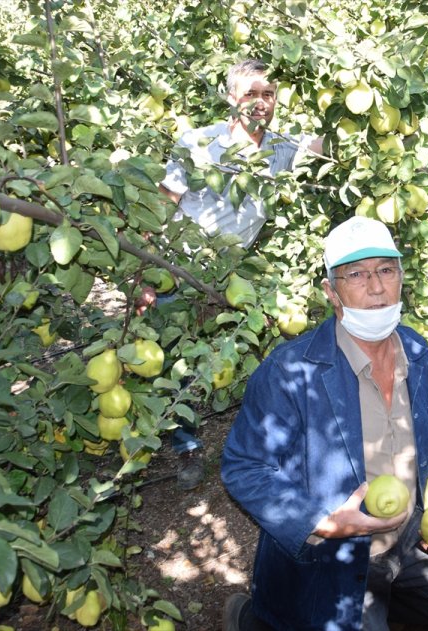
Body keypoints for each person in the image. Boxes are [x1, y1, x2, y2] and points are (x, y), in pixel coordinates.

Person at [220, 216, 428, 630]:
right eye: (356, 274)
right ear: (331, 290)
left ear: (400, 277)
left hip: (411, 529)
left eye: (385, 270)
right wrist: (322, 523)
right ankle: (257, 620)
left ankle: (384, 603)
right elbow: (244, 467)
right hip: (338, 547)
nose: (376, 287)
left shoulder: (415, 349)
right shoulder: (291, 371)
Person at [151, 59, 322, 489]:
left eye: (269, 94)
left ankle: (263, 438)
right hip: (182, 267)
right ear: (232, 97)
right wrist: (149, 272)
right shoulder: (198, 143)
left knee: (234, 352)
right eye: (251, 93)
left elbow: (325, 145)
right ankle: (186, 445)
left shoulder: (282, 147)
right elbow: (163, 203)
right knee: (174, 359)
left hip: (234, 272)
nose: (261, 102)